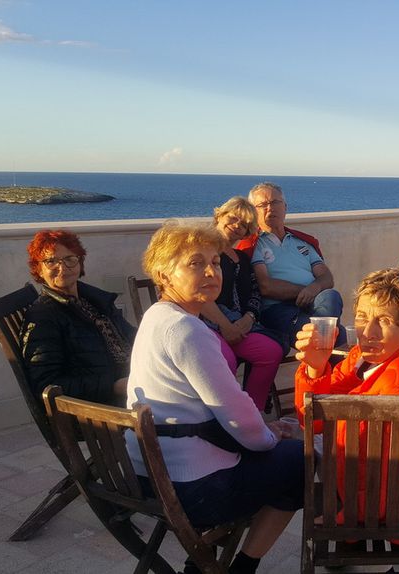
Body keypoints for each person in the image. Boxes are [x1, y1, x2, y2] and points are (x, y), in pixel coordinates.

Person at [126, 221, 302, 574]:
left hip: (148, 474)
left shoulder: (156, 317)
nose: (211, 272)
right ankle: (242, 566)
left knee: (279, 454)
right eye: (195, 263)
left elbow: (212, 411)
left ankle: (205, 561)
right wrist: (271, 435)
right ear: (165, 273)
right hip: (192, 489)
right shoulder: (186, 330)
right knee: (302, 460)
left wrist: (265, 431)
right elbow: (237, 416)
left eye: (216, 262)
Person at [293, 266, 399, 538]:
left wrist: (342, 523)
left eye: (384, 320)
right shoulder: (376, 353)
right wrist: (316, 368)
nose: (367, 332)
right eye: (362, 316)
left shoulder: (398, 392)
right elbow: (313, 418)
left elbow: (374, 484)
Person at [21, 230, 136, 406]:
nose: (62, 268)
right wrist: (114, 386)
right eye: (51, 261)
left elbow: (132, 337)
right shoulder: (43, 317)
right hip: (106, 408)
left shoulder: (93, 300)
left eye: (70, 259)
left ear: (80, 262)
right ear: (38, 268)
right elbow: (45, 385)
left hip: (134, 380)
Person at [236, 182, 345, 349]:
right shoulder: (253, 244)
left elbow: (326, 278)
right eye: (262, 204)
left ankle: (320, 355)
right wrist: (304, 291)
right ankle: (323, 363)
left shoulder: (302, 241)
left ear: (285, 207)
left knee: (331, 296)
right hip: (278, 309)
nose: (270, 208)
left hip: (314, 303)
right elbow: (266, 286)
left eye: (275, 202)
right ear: (253, 211)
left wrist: (314, 288)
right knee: (337, 335)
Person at [204, 196, 286, 410]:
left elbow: (255, 293)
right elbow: (198, 296)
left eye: (245, 225)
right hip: (207, 324)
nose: (237, 226)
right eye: (233, 219)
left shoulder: (243, 258)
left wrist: (248, 319)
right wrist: (226, 326)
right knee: (225, 359)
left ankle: (252, 412)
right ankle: (224, 419)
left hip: (239, 325)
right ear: (220, 216)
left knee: (271, 351)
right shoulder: (201, 250)